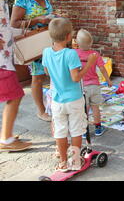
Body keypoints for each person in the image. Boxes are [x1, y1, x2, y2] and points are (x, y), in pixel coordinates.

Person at [42, 18, 98, 172]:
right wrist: (89, 63)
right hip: (74, 99)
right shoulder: (71, 54)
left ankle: (63, 162)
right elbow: (76, 77)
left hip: (57, 100)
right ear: (68, 36)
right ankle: (75, 160)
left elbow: (47, 72)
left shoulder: (46, 52)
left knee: (60, 131)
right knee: (76, 130)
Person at [11, 0, 55, 122]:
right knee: (37, 77)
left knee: (53, 73)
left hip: (50, 39)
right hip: (35, 43)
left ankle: (54, 105)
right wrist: (38, 20)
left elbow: (48, 12)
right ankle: (41, 111)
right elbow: (14, 23)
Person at [0, 0, 33, 152]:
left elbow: (5, 28)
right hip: (1, 62)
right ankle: (6, 139)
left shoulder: (3, 0)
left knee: (13, 95)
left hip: (5, 58)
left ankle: (6, 134)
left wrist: (24, 33)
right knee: (15, 95)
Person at [75, 29, 112, 137]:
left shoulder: (74, 53)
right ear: (91, 43)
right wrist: (108, 80)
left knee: (84, 109)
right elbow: (102, 69)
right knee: (95, 107)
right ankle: (98, 128)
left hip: (82, 87)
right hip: (95, 86)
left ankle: (84, 131)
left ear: (77, 42)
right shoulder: (95, 54)